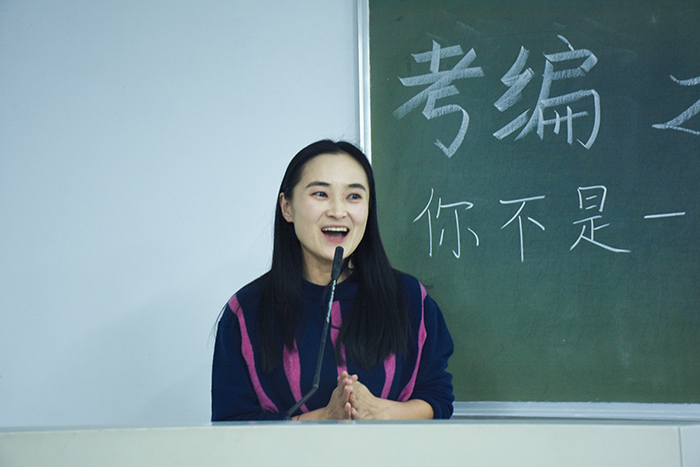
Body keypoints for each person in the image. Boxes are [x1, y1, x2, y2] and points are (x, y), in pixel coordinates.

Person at [211, 140, 454, 421]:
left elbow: (438, 400)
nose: (338, 211)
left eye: (354, 196)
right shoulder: (246, 311)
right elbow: (230, 423)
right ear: (287, 207)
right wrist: (323, 418)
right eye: (320, 194)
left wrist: (379, 411)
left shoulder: (410, 299)